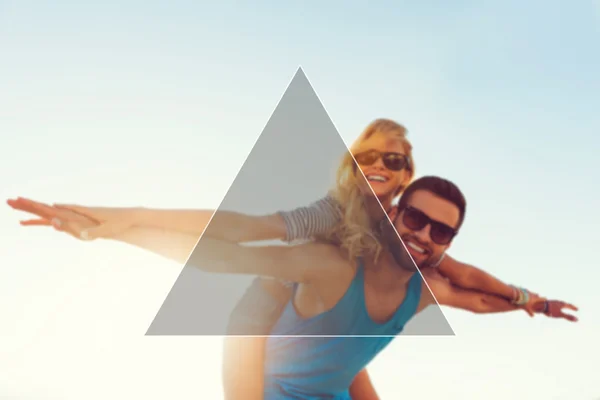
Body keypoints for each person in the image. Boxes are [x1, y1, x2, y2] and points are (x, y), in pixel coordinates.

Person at [6, 118, 562, 399]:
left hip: (334, 328)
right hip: (279, 306)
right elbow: (237, 234)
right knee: (251, 277)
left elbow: (465, 280)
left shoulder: (417, 242)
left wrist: (525, 299)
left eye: (394, 160)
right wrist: (121, 221)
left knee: (351, 354)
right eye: (369, 157)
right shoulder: (333, 215)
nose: (381, 168)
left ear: (405, 175)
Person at [158, 176, 580, 399]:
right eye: (415, 220)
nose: (424, 234)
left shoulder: (428, 287)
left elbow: (479, 294)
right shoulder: (339, 261)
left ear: (448, 241)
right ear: (394, 214)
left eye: (440, 231)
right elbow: (235, 253)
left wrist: (531, 304)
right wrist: (131, 226)